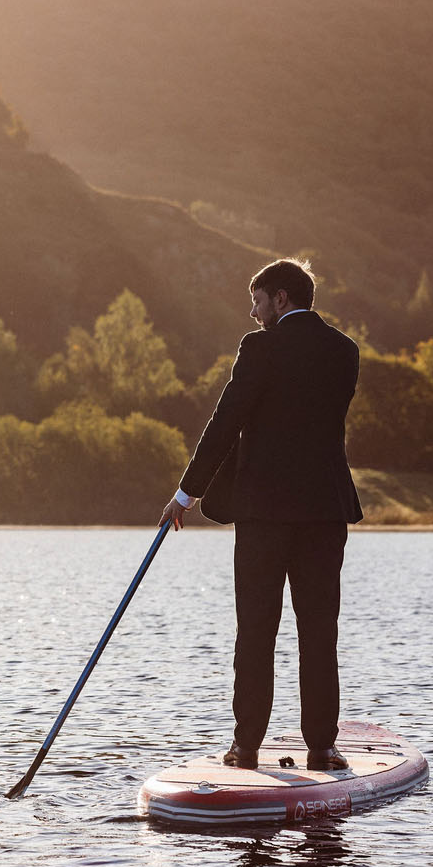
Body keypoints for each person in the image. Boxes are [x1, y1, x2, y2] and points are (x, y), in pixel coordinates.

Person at [161, 258, 363, 772]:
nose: (252, 313)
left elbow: (227, 420)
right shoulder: (345, 351)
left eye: (257, 301)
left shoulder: (261, 349)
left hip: (264, 514)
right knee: (319, 630)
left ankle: (246, 746)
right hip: (324, 512)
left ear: (281, 298)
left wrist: (186, 494)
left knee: (256, 629)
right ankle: (322, 747)